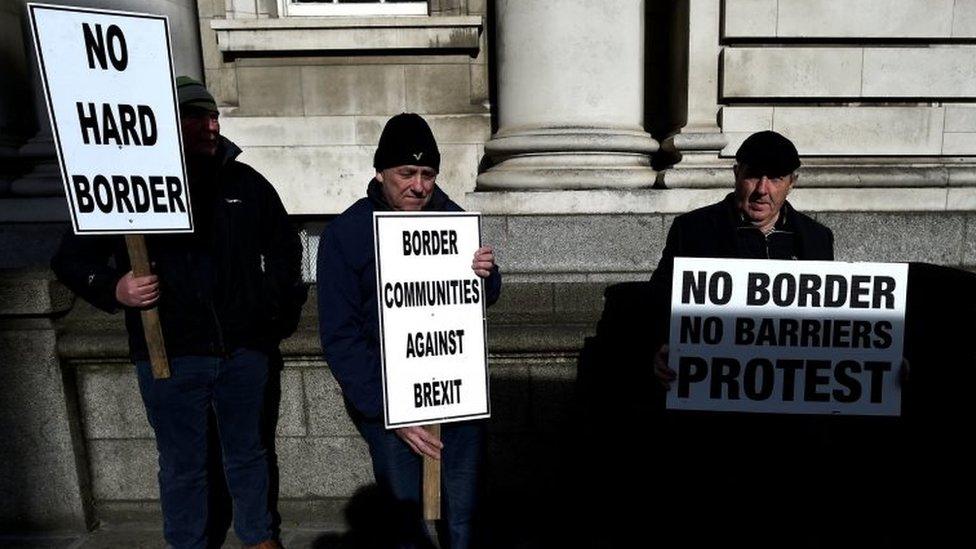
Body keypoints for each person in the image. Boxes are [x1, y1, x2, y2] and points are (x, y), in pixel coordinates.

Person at [51, 76, 305, 549]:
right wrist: (116, 287)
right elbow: (69, 260)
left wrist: (269, 310)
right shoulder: (128, 187)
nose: (211, 126)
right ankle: (188, 543)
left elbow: (287, 247)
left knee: (249, 453)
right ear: (167, 123)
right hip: (168, 354)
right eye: (196, 117)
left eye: (213, 116)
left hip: (244, 352)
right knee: (183, 463)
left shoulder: (244, 182)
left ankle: (258, 538)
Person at [317, 113, 501, 548]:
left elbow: (482, 295)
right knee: (404, 528)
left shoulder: (449, 219)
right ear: (380, 171)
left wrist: (486, 274)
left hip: (456, 401)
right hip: (390, 410)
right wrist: (389, 413)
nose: (418, 185)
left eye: (428, 174)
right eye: (406, 173)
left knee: (465, 522)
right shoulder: (347, 233)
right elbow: (341, 338)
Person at [649, 130, 834, 386]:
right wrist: (660, 347)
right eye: (754, 175)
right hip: (716, 389)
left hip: (788, 390)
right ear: (737, 174)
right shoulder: (693, 230)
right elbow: (659, 299)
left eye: (776, 179)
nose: (762, 189)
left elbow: (834, 320)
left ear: (792, 182)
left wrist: (884, 360)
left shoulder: (817, 238)